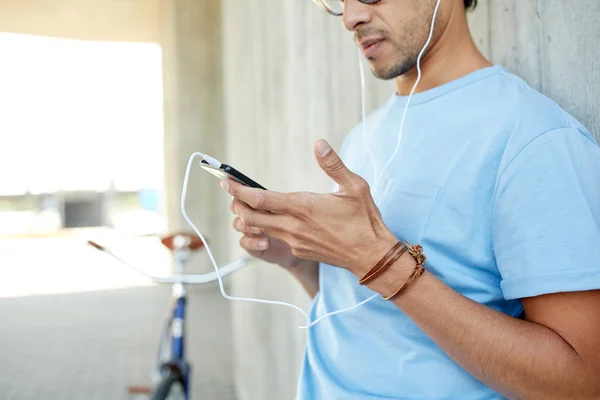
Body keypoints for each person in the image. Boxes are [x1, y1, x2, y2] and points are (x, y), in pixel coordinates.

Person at [221, 0, 600, 398]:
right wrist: (300, 260)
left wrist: (380, 262)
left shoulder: (534, 139)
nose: (351, 18)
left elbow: (582, 382)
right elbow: (374, 317)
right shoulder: (364, 134)